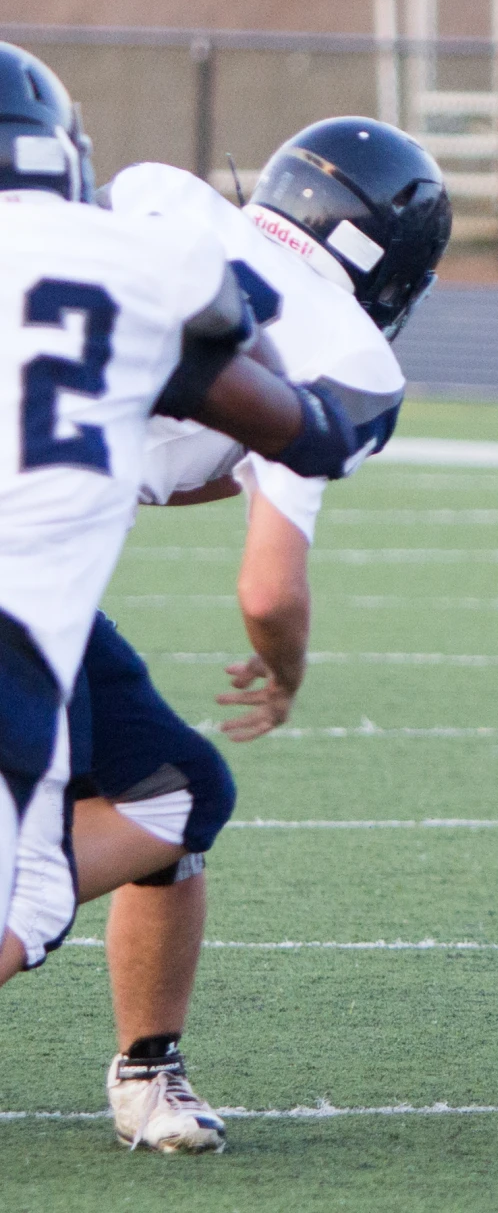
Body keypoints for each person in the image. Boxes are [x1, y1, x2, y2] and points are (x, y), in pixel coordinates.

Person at [41, 120, 445, 1154]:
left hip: (34, 562)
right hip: (20, 577)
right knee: (96, 841)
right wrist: (285, 671)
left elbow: (145, 442)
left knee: (174, 788)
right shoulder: (345, 355)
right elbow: (269, 588)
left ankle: (148, 1069)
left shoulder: (159, 194)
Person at [0, 44, 368, 1000]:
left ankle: (150, 1059)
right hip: (15, 612)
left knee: (174, 787)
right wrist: (333, 421)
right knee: (31, 895)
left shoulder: (143, 226)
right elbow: (296, 442)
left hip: (42, 616)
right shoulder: (136, 268)